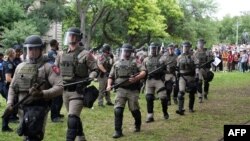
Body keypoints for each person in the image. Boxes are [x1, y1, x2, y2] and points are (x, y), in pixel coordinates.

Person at [6, 35, 63, 141]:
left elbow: (60, 87)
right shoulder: (20, 67)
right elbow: (12, 87)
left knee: (33, 138)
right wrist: (9, 103)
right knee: (25, 136)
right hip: (21, 108)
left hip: (38, 109)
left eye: (35, 48)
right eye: (29, 48)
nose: (31, 51)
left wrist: (42, 93)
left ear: (40, 49)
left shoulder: (48, 67)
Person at [56, 27, 99, 141]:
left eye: (74, 35)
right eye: (70, 35)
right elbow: (55, 70)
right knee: (73, 116)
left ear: (79, 38)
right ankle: (81, 137)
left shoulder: (86, 54)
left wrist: (91, 77)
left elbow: (95, 69)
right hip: (65, 91)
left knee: (72, 118)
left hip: (78, 91)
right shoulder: (61, 54)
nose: (71, 37)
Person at [106, 43, 146, 138]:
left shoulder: (135, 62)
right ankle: (118, 131)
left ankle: (137, 124)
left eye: (128, 51)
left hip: (133, 90)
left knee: (134, 110)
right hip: (120, 90)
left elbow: (144, 71)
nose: (126, 53)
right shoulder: (117, 63)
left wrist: (137, 78)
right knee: (118, 110)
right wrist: (108, 85)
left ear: (131, 52)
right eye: (124, 51)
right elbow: (111, 76)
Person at [142, 42, 169, 123]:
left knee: (163, 97)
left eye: (154, 48)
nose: (153, 50)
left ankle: (165, 112)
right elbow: (143, 70)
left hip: (158, 80)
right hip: (149, 80)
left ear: (157, 49)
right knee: (149, 98)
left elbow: (167, 70)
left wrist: (163, 68)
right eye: (152, 48)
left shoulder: (162, 59)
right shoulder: (146, 59)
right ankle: (150, 116)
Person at [176, 41, 197, 115]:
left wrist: (196, 74)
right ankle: (180, 109)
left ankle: (191, 108)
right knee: (181, 92)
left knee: (192, 93)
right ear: (182, 48)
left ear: (189, 48)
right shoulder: (179, 57)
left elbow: (197, 66)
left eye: (187, 47)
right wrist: (176, 75)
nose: (186, 48)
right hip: (182, 76)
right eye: (184, 47)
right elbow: (177, 68)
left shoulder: (193, 56)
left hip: (191, 76)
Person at [48, 39, 64, 122]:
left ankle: (57, 113)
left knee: (59, 98)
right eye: (58, 43)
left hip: (58, 77)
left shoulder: (55, 52)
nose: (58, 45)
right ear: (54, 44)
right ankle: (54, 116)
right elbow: (54, 66)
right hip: (54, 77)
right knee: (56, 98)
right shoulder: (52, 53)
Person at [2, 48, 16, 132]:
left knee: (11, 105)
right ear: (11, 54)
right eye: (14, 52)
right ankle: (4, 126)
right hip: (8, 87)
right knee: (9, 106)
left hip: (5, 86)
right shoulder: (9, 64)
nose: (15, 54)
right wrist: (17, 82)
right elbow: (8, 78)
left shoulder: (6, 62)